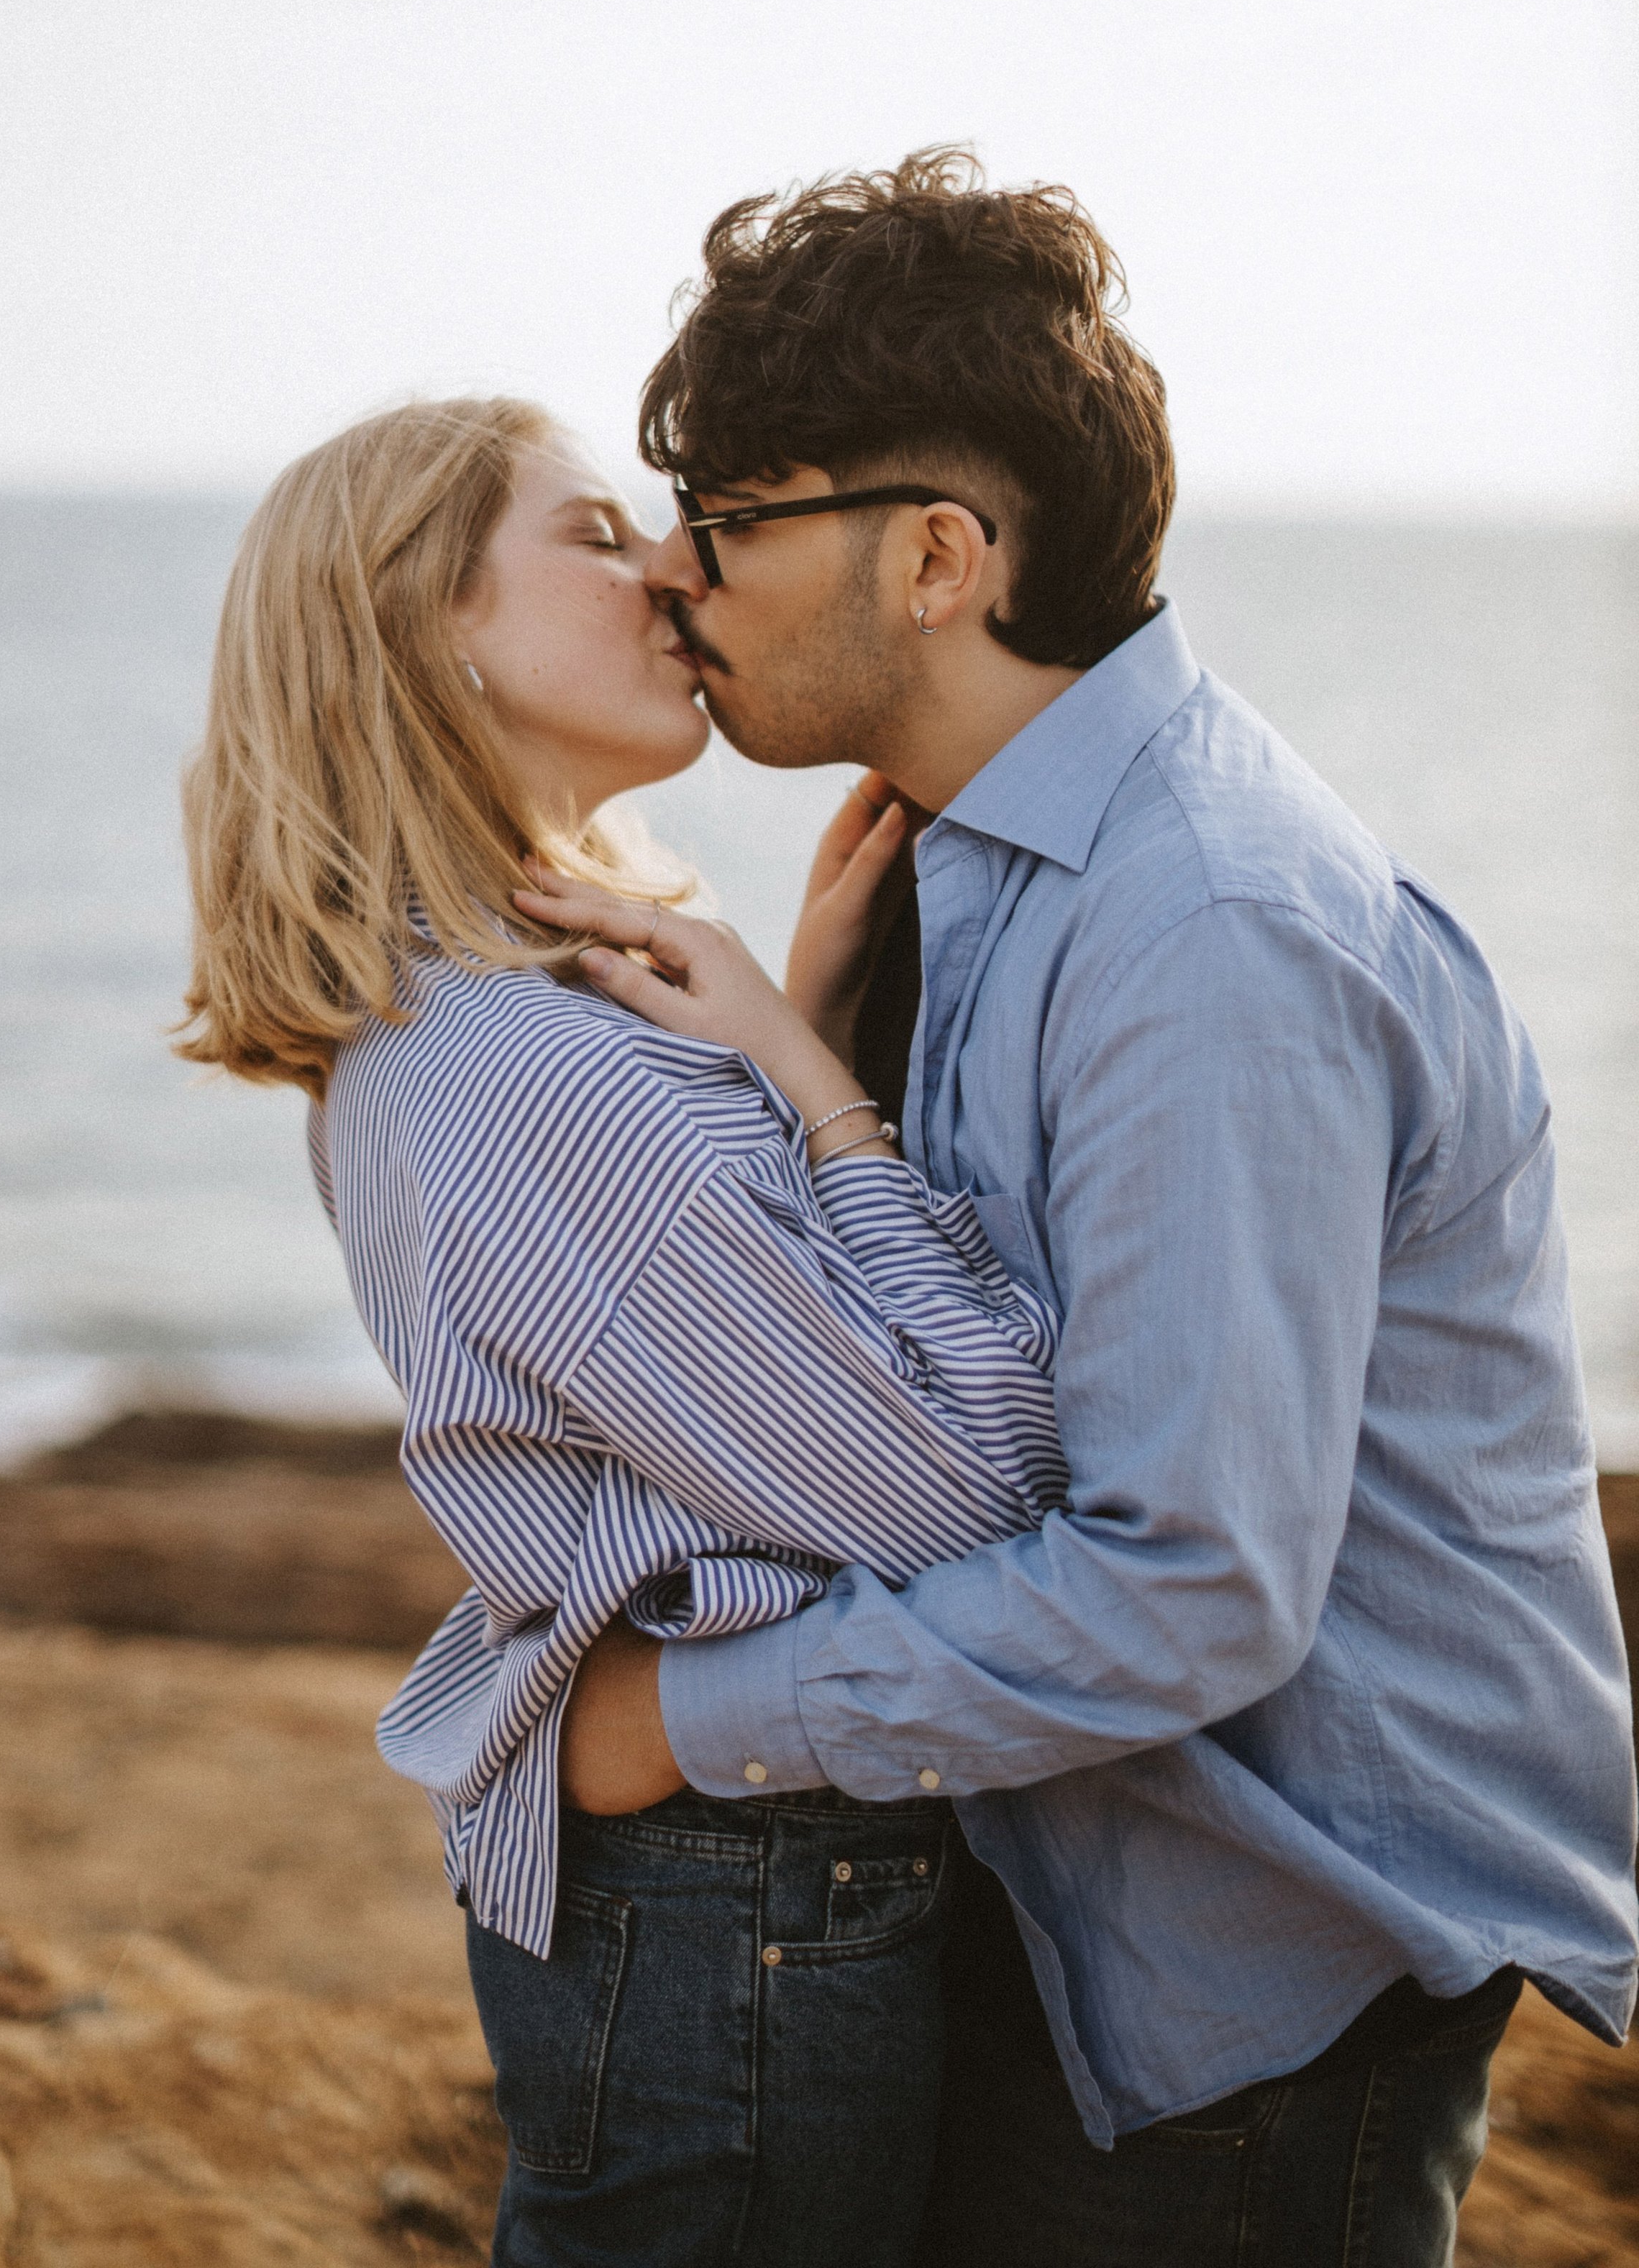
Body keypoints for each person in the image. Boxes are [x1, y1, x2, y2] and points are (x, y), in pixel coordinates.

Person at [549, 151, 1639, 2268]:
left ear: (942, 555)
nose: (680, 579)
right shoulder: (982, 852)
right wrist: (819, 1059)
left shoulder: (1206, 928)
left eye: (736, 520)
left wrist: (672, 1722)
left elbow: (1190, 1590)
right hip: (1099, 1903)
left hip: (1257, 1985)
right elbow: (974, 1413)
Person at [175, 393, 1080, 2268]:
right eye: (593, 534)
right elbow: (988, 1489)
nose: (674, 564)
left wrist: (777, 1018)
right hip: (735, 1906)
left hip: (716, 1885)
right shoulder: (527, 1077)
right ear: (429, 622)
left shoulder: (494, 1022)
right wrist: (813, 1077)